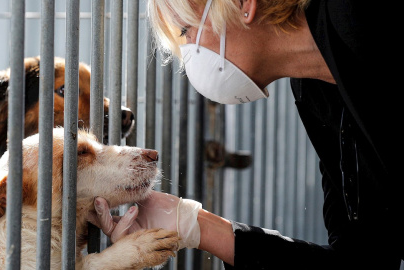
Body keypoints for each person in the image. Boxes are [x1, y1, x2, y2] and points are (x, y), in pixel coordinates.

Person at [89, 0, 403, 269]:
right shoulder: (315, 91)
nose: (188, 54)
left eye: (186, 30)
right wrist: (192, 225)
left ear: (243, 4)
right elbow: (361, 261)